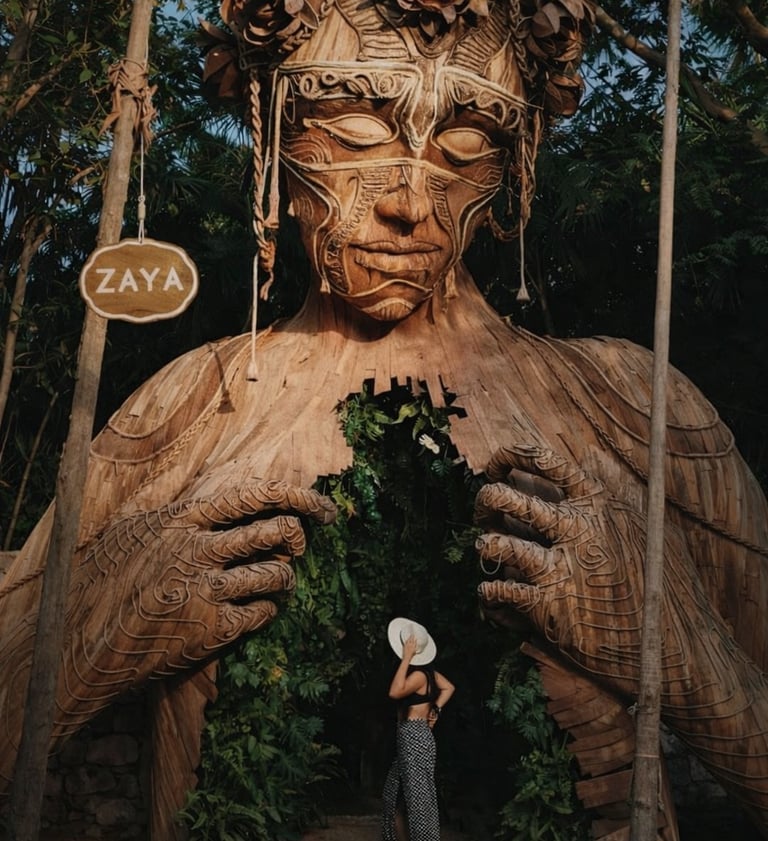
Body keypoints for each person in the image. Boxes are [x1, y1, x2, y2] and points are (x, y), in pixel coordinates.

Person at [0, 0, 767, 836]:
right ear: (273, 142)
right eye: (356, 132)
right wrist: (103, 622)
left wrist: (677, 648)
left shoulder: (632, 407)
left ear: (513, 167)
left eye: (464, 145)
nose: (409, 201)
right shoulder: (191, 405)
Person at [382, 618, 454, 841]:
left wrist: (406, 657)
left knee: (419, 802)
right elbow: (449, 688)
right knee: (393, 796)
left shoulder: (419, 676)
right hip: (412, 739)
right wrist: (436, 709)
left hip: (414, 738)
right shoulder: (428, 673)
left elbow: (395, 692)